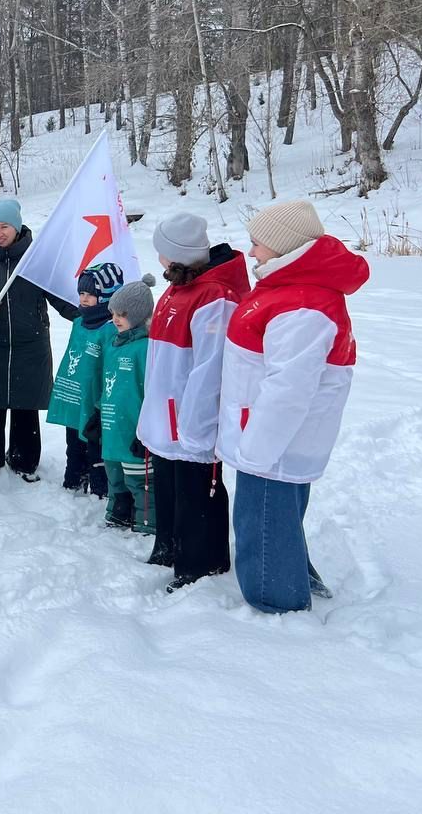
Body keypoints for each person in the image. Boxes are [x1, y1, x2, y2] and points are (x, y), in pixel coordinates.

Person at [218, 200, 369, 613]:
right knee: (276, 519)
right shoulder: (288, 288)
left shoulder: (302, 305)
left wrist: (255, 452)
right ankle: (291, 576)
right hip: (270, 438)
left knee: (263, 522)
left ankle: (278, 604)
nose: (251, 253)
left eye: (257, 244)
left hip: (272, 444)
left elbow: (289, 390)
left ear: (283, 247)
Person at [137, 212, 250, 593]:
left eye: (163, 254)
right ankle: (169, 548)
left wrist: (197, 422)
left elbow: (211, 367)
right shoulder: (179, 287)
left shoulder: (215, 295)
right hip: (167, 414)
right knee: (171, 488)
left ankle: (200, 565)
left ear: (178, 255)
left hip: (191, 416)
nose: (159, 261)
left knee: (197, 491)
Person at [0, 199, 78, 480]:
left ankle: (24, 463)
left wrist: (89, 317)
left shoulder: (36, 261)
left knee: (25, 407)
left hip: (29, 347)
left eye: (5, 226)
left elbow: (61, 298)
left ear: (17, 227)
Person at [48, 263, 122, 498]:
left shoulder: (111, 328)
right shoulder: (80, 321)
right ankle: (75, 478)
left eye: (91, 294)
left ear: (107, 296)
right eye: (81, 293)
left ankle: (100, 485)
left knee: (94, 441)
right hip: (74, 392)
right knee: (73, 439)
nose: (84, 298)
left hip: (95, 395)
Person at [88, 278, 155, 533]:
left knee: (139, 480)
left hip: (132, 427)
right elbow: (109, 384)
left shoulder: (145, 348)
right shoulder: (114, 345)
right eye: (114, 313)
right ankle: (119, 514)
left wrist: (146, 430)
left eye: (123, 315)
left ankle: (147, 524)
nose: (116, 319)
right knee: (115, 476)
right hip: (112, 426)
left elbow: (150, 391)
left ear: (138, 315)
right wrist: (97, 410)